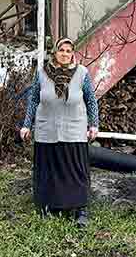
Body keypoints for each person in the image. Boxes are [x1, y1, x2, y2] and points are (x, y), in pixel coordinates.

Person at [19, 38, 99, 228]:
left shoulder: (81, 73)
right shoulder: (41, 74)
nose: (64, 54)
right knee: (49, 171)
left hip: (74, 129)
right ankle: (50, 206)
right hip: (47, 130)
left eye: (68, 51)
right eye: (61, 50)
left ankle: (80, 209)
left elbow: (91, 100)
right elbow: (33, 101)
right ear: (55, 53)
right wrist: (26, 125)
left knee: (75, 171)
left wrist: (93, 124)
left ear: (72, 53)